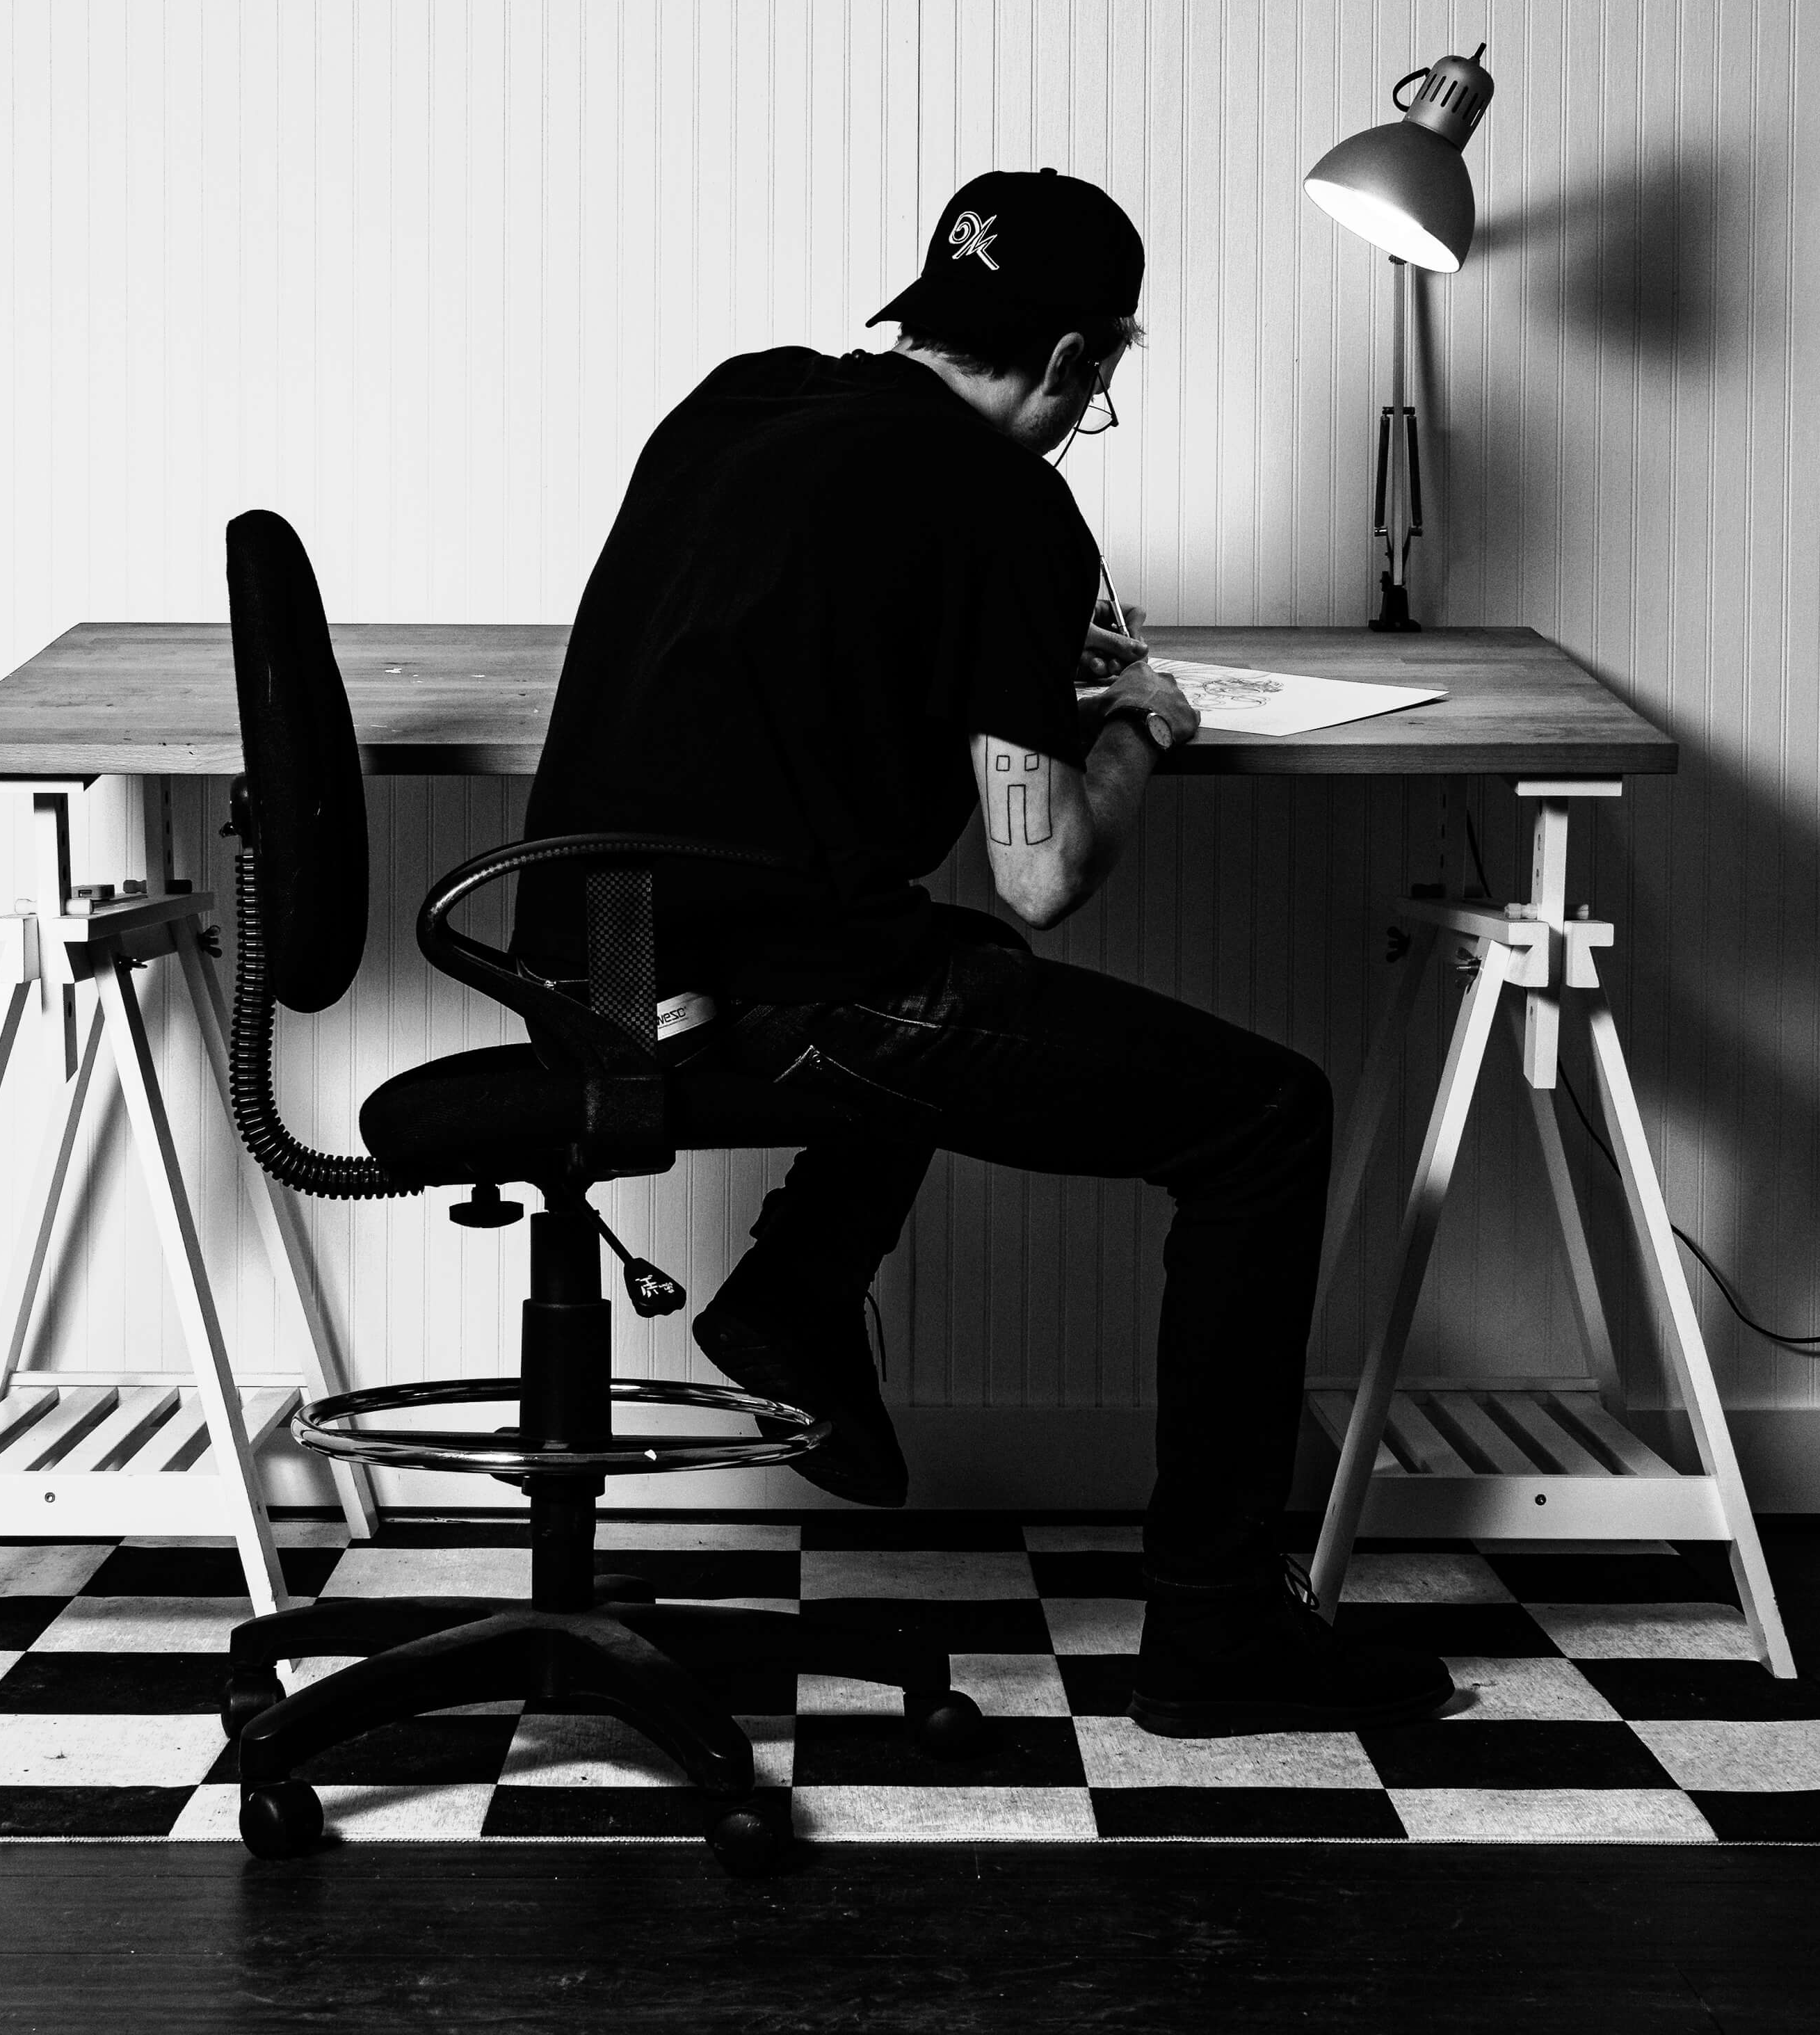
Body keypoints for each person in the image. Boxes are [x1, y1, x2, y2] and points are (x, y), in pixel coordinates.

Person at [521, 170, 1449, 1737]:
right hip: (756, 993)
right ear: (1081, 358)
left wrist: (1006, 656)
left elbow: (781, 632)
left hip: (584, 955)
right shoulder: (1010, 505)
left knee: (934, 967)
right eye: (1097, 381)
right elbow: (1041, 874)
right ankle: (1216, 1628)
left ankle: (800, 1294)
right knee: (1262, 1118)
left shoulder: (741, 399)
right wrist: (1141, 722)